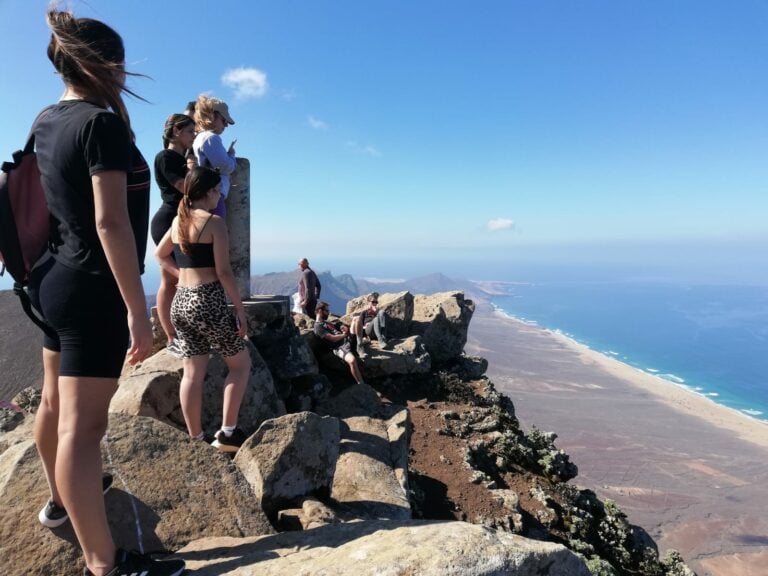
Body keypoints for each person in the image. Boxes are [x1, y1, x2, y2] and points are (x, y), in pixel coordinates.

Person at [31, 8, 184, 576]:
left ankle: (58, 501)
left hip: (51, 281)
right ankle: (104, 564)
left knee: (53, 405)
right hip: (92, 288)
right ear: (105, 65)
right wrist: (137, 312)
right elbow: (111, 224)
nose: (123, 74)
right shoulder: (101, 124)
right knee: (84, 428)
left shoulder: (47, 119)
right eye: (119, 63)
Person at [155, 167, 251, 452]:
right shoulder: (214, 222)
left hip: (181, 302)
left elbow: (160, 255)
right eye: (218, 190)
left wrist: (180, 275)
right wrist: (239, 309)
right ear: (209, 191)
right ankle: (227, 432)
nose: (219, 194)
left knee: (192, 373)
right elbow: (223, 272)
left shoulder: (178, 221)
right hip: (207, 300)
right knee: (240, 365)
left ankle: (196, 438)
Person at [150, 113, 196, 353]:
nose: (193, 136)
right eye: (190, 131)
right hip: (169, 220)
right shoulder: (166, 158)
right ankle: (171, 337)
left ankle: (177, 335)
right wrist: (192, 167)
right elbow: (185, 187)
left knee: (171, 280)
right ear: (177, 132)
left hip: (180, 221)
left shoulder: (180, 157)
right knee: (170, 281)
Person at [192, 94, 236, 218]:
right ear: (211, 116)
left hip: (206, 193)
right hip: (213, 194)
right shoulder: (211, 138)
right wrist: (231, 155)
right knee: (217, 230)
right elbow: (225, 166)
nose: (226, 125)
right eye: (224, 120)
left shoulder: (200, 138)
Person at [313, 302, 366, 386]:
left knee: (356, 318)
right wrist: (344, 335)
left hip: (347, 339)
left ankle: (359, 344)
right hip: (339, 347)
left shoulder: (326, 322)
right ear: (320, 311)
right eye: (326, 310)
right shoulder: (318, 327)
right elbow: (332, 339)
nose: (328, 312)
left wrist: (342, 327)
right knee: (352, 360)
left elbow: (338, 324)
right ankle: (361, 383)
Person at [350, 292, 390, 357]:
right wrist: (365, 326)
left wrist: (376, 312)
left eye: (376, 302)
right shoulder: (365, 312)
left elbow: (383, 322)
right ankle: (380, 340)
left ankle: (383, 338)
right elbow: (359, 324)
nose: (374, 304)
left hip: (378, 331)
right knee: (375, 319)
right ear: (369, 302)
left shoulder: (378, 312)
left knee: (381, 313)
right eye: (373, 302)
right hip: (368, 330)